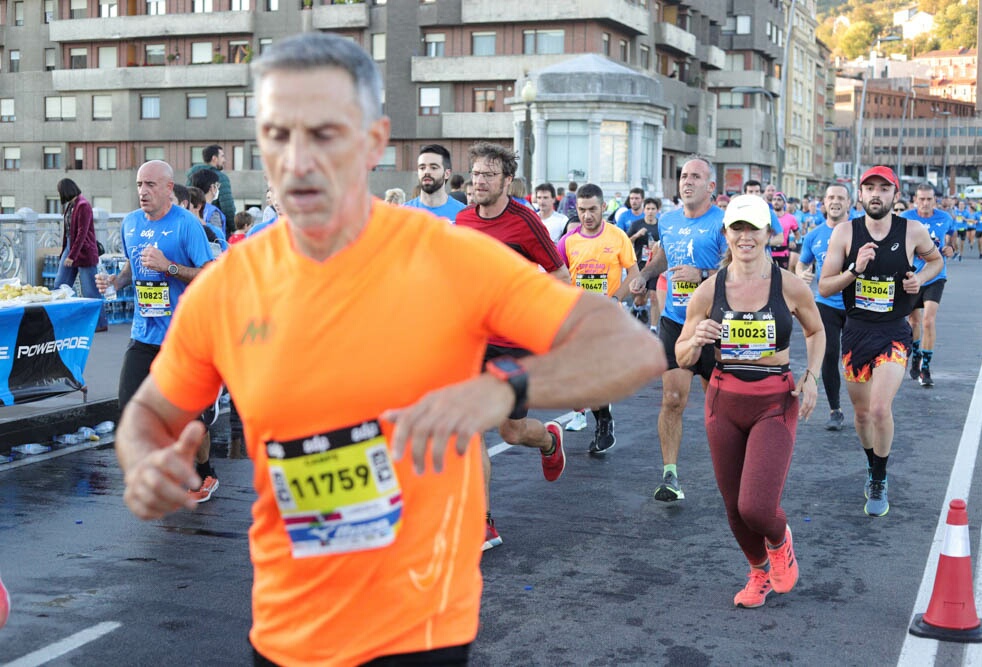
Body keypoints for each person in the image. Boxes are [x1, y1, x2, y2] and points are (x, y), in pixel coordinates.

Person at [113, 33, 664, 666]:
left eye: (323, 133)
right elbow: (150, 414)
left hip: (419, 632)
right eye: (277, 135)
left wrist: (500, 388)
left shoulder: (448, 257)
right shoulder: (229, 286)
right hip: (287, 635)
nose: (297, 159)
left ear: (374, 141)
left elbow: (629, 348)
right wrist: (145, 463)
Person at [677, 194, 823, 609]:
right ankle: (758, 571)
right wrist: (696, 341)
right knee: (733, 507)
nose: (745, 236)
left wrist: (811, 377)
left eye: (752, 228)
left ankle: (780, 540)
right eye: (736, 228)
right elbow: (682, 355)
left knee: (756, 507)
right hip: (723, 401)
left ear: (767, 233)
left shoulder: (788, 285)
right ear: (726, 234)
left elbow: (816, 332)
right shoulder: (709, 290)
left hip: (774, 401)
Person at [456, 142, 572, 550]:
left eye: (489, 174)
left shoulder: (525, 221)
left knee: (512, 428)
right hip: (474, 341)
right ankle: (482, 521)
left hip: (516, 343)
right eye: (475, 174)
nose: (480, 181)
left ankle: (549, 440)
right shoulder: (463, 219)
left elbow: (561, 277)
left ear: (507, 181)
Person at [818, 166, 942, 517]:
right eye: (869, 187)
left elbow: (936, 260)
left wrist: (919, 278)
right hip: (856, 332)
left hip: (893, 332)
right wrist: (854, 269)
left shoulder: (911, 230)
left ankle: (880, 478)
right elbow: (825, 287)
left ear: (894, 195)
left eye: (883, 189)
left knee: (878, 408)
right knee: (860, 415)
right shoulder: (845, 232)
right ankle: (872, 464)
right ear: (860, 195)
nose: (876, 194)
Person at [96, 160, 219, 504]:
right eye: (138, 185)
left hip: (182, 338)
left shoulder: (187, 226)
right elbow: (132, 263)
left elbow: (211, 275)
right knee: (128, 408)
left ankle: (206, 471)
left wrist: (170, 267)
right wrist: (115, 282)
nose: (142, 192)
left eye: (150, 185)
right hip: (144, 333)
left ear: (168, 188)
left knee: (188, 417)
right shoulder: (131, 223)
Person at [630, 156, 728, 503]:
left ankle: (733, 473)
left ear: (710, 187)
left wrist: (701, 276)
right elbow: (662, 258)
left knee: (720, 407)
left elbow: (736, 274)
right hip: (675, 322)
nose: (687, 181)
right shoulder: (669, 222)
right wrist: (643, 276)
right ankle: (670, 475)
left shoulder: (723, 224)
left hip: (714, 323)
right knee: (672, 399)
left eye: (696, 176)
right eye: (684, 176)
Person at [557, 183, 641, 454]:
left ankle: (604, 424)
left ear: (603, 207)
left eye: (592, 209)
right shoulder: (568, 241)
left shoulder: (618, 237)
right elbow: (555, 274)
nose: (587, 215)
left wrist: (616, 299)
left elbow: (635, 275)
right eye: (581, 210)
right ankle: (603, 417)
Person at [796, 183, 852, 430]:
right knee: (829, 356)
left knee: (858, 357)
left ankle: (868, 404)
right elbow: (801, 263)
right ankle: (835, 410)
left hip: (856, 304)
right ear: (824, 203)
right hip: (826, 303)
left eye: (840, 197)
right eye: (831, 197)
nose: (835, 201)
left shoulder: (858, 231)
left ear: (849, 203)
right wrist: (802, 275)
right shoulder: (814, 235)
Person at [899, 183, 956, 388]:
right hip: (912, 275)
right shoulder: (905, 218)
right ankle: (915, 356)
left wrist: (950, 249)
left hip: (935, 275)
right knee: (914, 322)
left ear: (935, 200)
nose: (925, 203)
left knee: (928, 321)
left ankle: (925, 367)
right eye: (921, 199)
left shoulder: (945, 218)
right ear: (915, 199)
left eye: (929, 199)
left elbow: (951, 239)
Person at [54, 178, 108, 332]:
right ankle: (58, 321)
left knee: (91, 291)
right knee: (60, 287)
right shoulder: (70, 206)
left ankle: (100, 324)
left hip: (83, 252)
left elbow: (82, 234)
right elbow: (68, 234)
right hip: (71, 249)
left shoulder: (83, 205)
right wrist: (64, 253)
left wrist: (72, 255)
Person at [403, 144, 467, 222]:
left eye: (433, 167)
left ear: (447, 173)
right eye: (422, 168)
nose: (426, 172)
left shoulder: (463, 214)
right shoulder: (403, 213)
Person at [627, 197, 661, 328]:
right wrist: (637, 235)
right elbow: (627, 242)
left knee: (653, 296)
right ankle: (637, 307)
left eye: (653, 209)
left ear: (657, 211)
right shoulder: (637, 224)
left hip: (655, 266)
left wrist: (656, 247)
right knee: (640, 298)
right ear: (644, 210)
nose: (650, 211)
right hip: (640, 265)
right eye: (648, 209)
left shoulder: (660, 226)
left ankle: (653, 328)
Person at [186, 144, 235, 234]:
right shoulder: (221, 178)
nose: (224, 160)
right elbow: (227, 207)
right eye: (222, 156)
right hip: (215, 224)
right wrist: (234, 228)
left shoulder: (192, 175)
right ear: (214, 158)